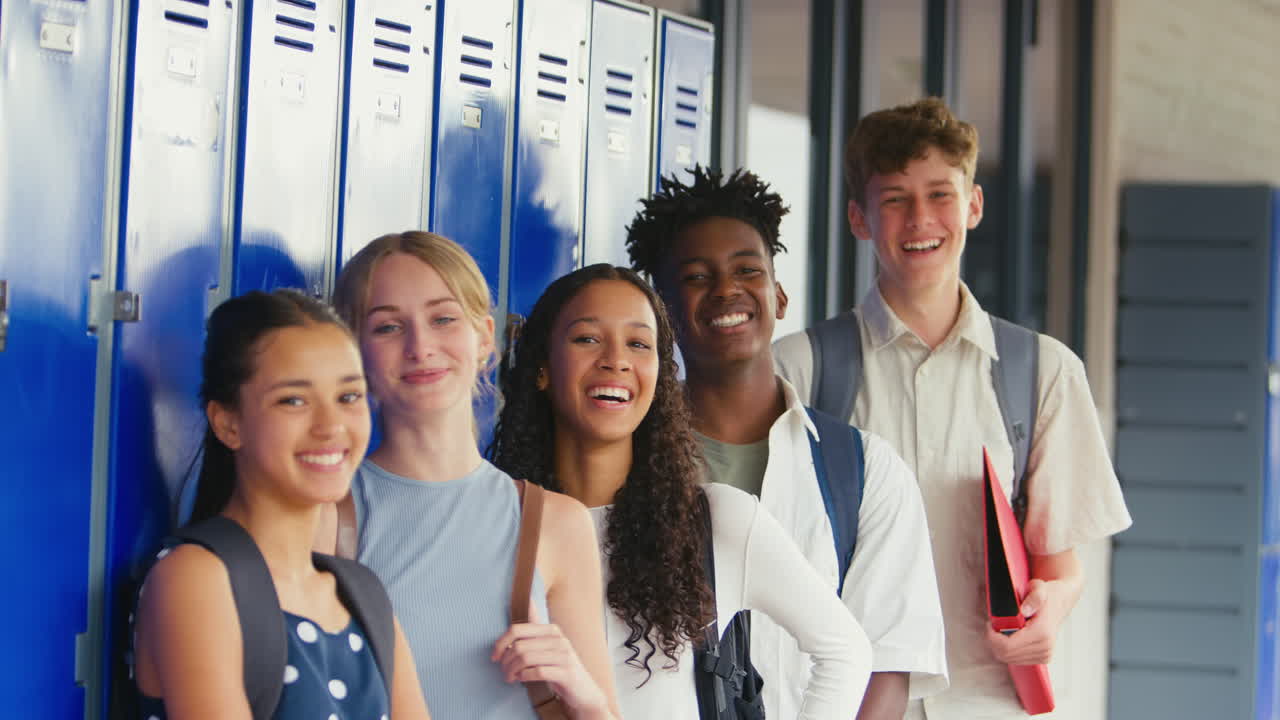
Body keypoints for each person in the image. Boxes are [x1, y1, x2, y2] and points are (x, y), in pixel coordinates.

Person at [773, 97, 1133, 719]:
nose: (920, 219)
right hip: (839, 704)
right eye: (894, 199)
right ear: (859, 218)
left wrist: (1054, 607)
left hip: (988, 702)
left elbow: (1059, 565)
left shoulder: (1043, 373)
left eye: (940, 194)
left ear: (974, 204)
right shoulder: (798, 371)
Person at [626, 166, 948, 720]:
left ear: (778, 295)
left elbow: (885, 670)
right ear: (662, 313)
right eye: (697, 277)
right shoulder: (622, 460)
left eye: (746, 270)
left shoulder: (864, 472)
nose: (726, 289)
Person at [490, 263, 873, 719]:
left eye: (638, 343)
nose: (616, 360)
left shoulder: (716, 521)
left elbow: (846, 653)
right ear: (541, 369)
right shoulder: (494, 524)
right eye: (587, 339)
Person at [329, 231, 621, 720]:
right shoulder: (329, 515)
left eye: (443, 319)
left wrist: (578, 687)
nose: (421, 346)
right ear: (353, 349)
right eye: (387, 328)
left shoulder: (554, 522)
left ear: (484, 337)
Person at [133, 288, 431, 719]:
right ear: (228, 424)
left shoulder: (361, 592)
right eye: (294, 400)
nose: (331, 427)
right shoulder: (195, 578)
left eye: (348, 397)